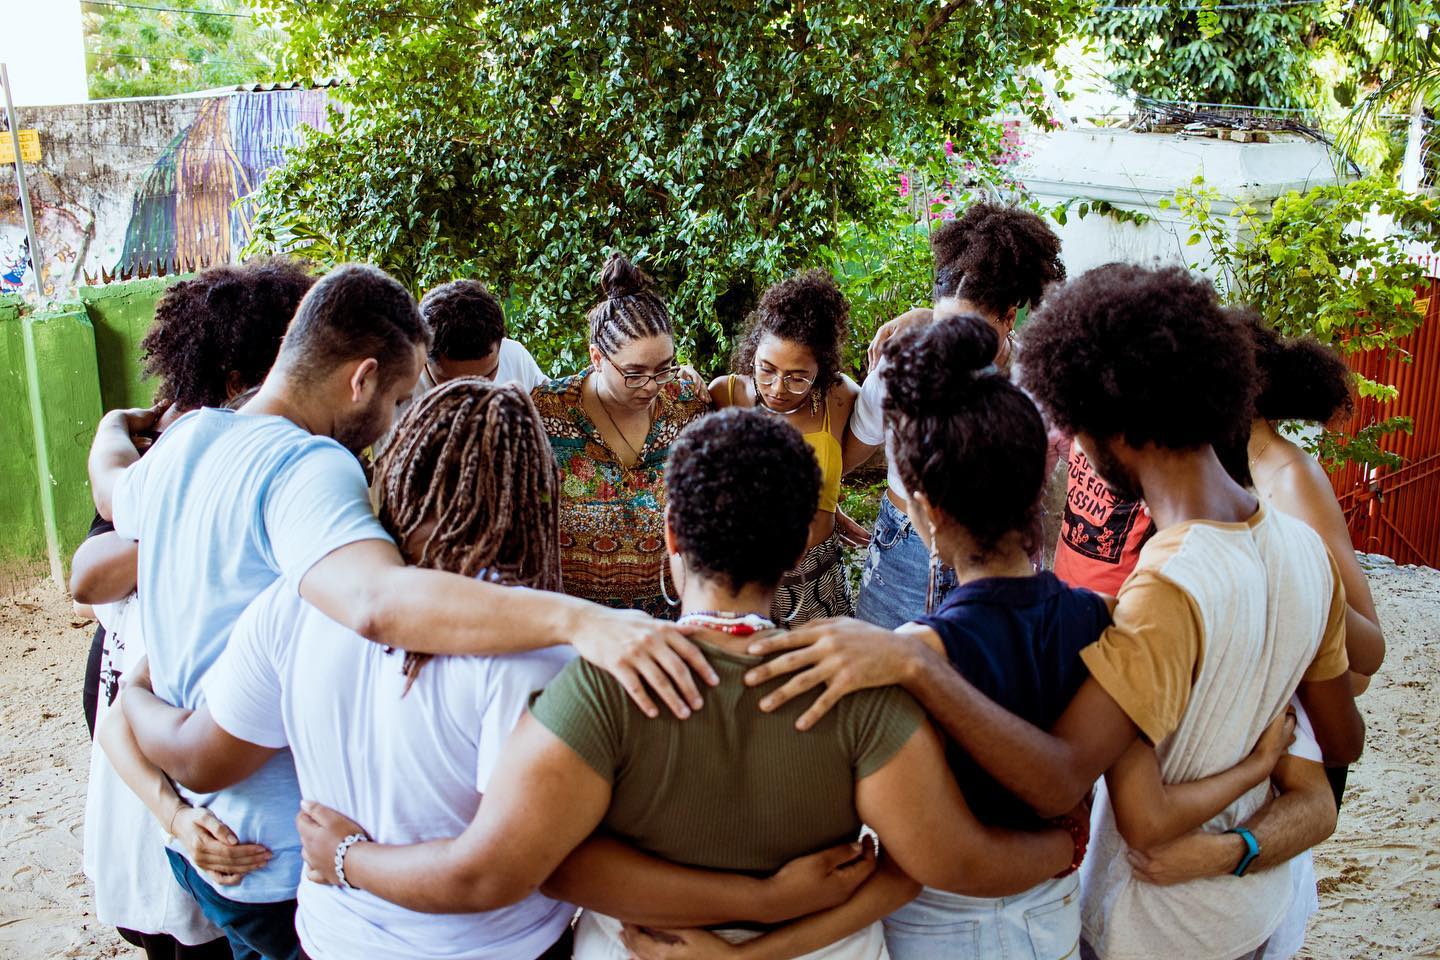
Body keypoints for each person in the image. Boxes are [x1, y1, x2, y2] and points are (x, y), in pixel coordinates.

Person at [86, 263, 714, 960]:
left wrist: (133, 698)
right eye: (400, 397)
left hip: (248, 862)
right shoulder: (311, 470)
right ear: (361, 381)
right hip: (295, 859)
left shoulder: (198, 449)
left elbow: (114, 499)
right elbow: (377, 604)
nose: (390, 422)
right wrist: (579, 619)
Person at [293, 408, 1079, 960]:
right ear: (802, 538)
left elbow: (526, 866)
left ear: (670, 536)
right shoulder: (859, 694)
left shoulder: (598, 688)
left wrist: (349, 858)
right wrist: (1056, 849)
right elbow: (941, 863)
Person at [744, 264, 1364, 960]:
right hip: (1254, 915)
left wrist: (919, 663)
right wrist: (1254, 784)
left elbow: (1066, 777)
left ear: (1109, 425)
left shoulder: (1162, 590)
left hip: (1149, 929)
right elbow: (1341, 744)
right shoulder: (1303, 550)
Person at [118, 379, 582, 960]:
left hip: (332, 940)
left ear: (395, 474)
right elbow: (492, 875)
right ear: (537, 494)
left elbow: (200, 759)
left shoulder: (297, 603)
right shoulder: (539, 655)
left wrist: (134, 696)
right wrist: (346, 858)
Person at [71, 257, 316, 960]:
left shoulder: (176, 454)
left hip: (170, 719)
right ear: (241, 377)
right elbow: (90, 573)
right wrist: (213, 526)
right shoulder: (184, 448)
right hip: (163, 732)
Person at [845, 202, 1066, 627]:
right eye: (942, 324)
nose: (952, 342)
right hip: (903, 552)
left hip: (997, 564)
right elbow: (846, 457)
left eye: (970, 329)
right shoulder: (900, 365)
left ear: (1007, 318)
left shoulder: (1034, 384)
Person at [531, 252, 712, 617]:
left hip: (668, 618)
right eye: (634, 373)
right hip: (578, 626)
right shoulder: (547, 412)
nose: (651, 386)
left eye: (664, 368)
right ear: (597, 358)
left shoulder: (686, 403)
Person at [710, 270, 860, 624]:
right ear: (752, 355)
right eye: (766, 369)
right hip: (745, 574)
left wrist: (826, 503)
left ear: (820, 370)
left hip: (815, 578)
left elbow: (839, 463)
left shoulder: (838, 398)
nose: (777, 387)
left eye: (797, 377)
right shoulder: (724, 395)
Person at [414, 279, 550, 390]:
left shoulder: (514, 356)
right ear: (423, 357)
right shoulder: (399, 392)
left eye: (485, 379)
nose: (472, 394)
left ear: (500, 346)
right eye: (452, 384)